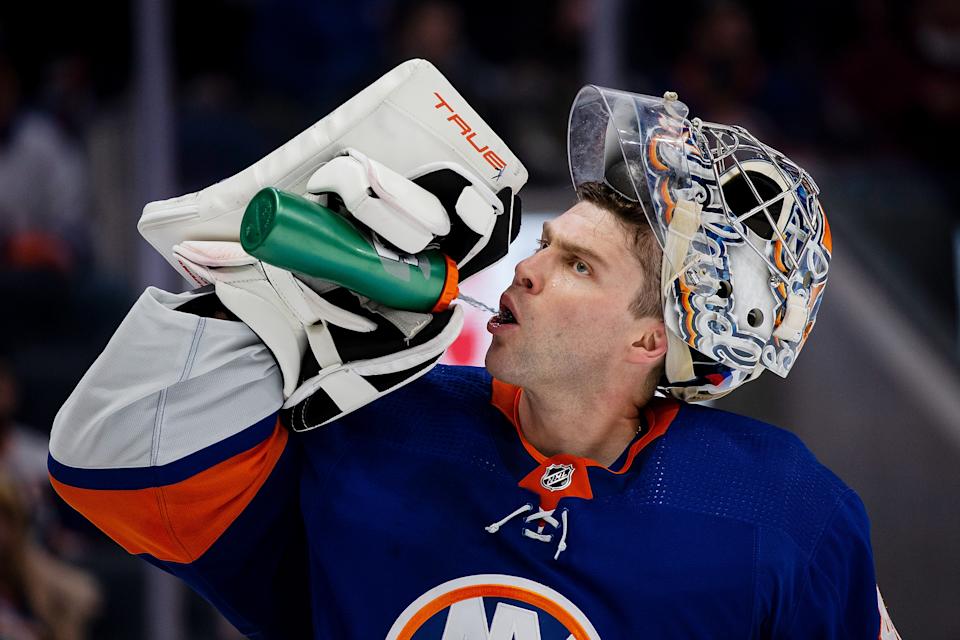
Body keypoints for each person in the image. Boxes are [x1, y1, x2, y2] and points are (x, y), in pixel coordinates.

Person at [48, 63, 899, 638]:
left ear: (653, 337)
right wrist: (275, 301)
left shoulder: (784, 513)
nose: (526, 268)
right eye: (551, 243)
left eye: (576, 265)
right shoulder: (373, 428)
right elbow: (112, 468)